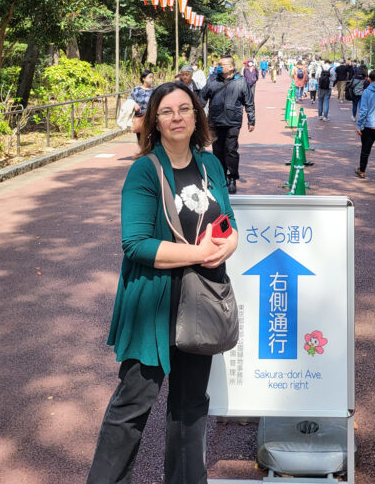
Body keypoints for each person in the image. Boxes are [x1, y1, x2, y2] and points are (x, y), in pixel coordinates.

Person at [87, 81, 239, 484]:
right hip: (153, 303)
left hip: (201, 300)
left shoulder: (209, 165)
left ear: (196, 116)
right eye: (167, 111)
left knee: (191, 406)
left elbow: (229, 223)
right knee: (133, 404)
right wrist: (200, 253)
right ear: (154, 121)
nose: (177, 118)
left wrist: (230, 243)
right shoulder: (145, 170)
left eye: (184, 109)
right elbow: (135, 243)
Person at [201, 55, 255, 194]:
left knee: (230, 150)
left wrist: (251, 120)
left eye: (222, 65)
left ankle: (232, 178)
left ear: (231, 67)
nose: (218, 67)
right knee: (217, 151)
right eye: (218, 64)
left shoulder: (241, 82)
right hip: (215, 121)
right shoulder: (212, 80)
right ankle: (221, 177)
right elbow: (201, 99)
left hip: (233, 121)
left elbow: (249, 102)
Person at [129, 70, 156, 144]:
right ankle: (143, 150)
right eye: (150, 77)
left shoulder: (154, 90)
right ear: (143, 78)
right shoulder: (136, 90)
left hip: (151, 119)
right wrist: (134, 104)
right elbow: (129, 100)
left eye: (152, 77)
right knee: (141, 141)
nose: (151, 79)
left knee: (151, 140)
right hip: (140, 118)